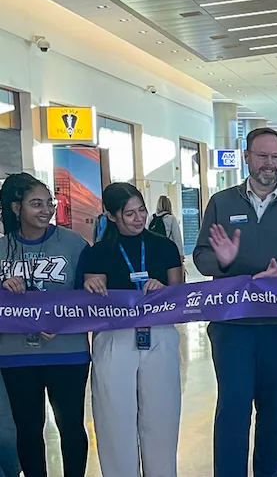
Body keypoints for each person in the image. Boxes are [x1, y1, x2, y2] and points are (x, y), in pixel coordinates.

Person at [193, 127, 277, 477]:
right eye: (263, 156)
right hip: (232, 327)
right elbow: (201, 257)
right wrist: (223, 260)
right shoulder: (222, 202)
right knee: (233, 410)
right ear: (247, 157)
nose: (270, 164)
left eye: (276, 157)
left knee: (275, 411)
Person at [82, 182, 184, 477]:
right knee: (115, 420)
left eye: (141, 210)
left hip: (159, 335)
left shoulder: (164, 247)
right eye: (129, 214)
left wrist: (163, 290)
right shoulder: (98, 253)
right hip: (115, 338)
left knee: (161, 419)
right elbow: (92, 303)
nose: (138, 218)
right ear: (111, 215)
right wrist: (91, 288)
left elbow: (179, 295)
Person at [0, 173, 90, 477]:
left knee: (71, 426)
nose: (46, 209)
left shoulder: (74, 244)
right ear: (16, 208)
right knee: (27, 429)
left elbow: (89, 297)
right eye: (35, 204)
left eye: (49, 202)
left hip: (68, 352)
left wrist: (63, 323)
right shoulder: (2, 249)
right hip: (16, 355)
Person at [150, 195, 186, 265]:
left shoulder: (151, 218)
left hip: (153, 252)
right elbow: (177, 238)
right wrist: (181, 255)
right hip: (168, 252)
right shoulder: (171, 218)